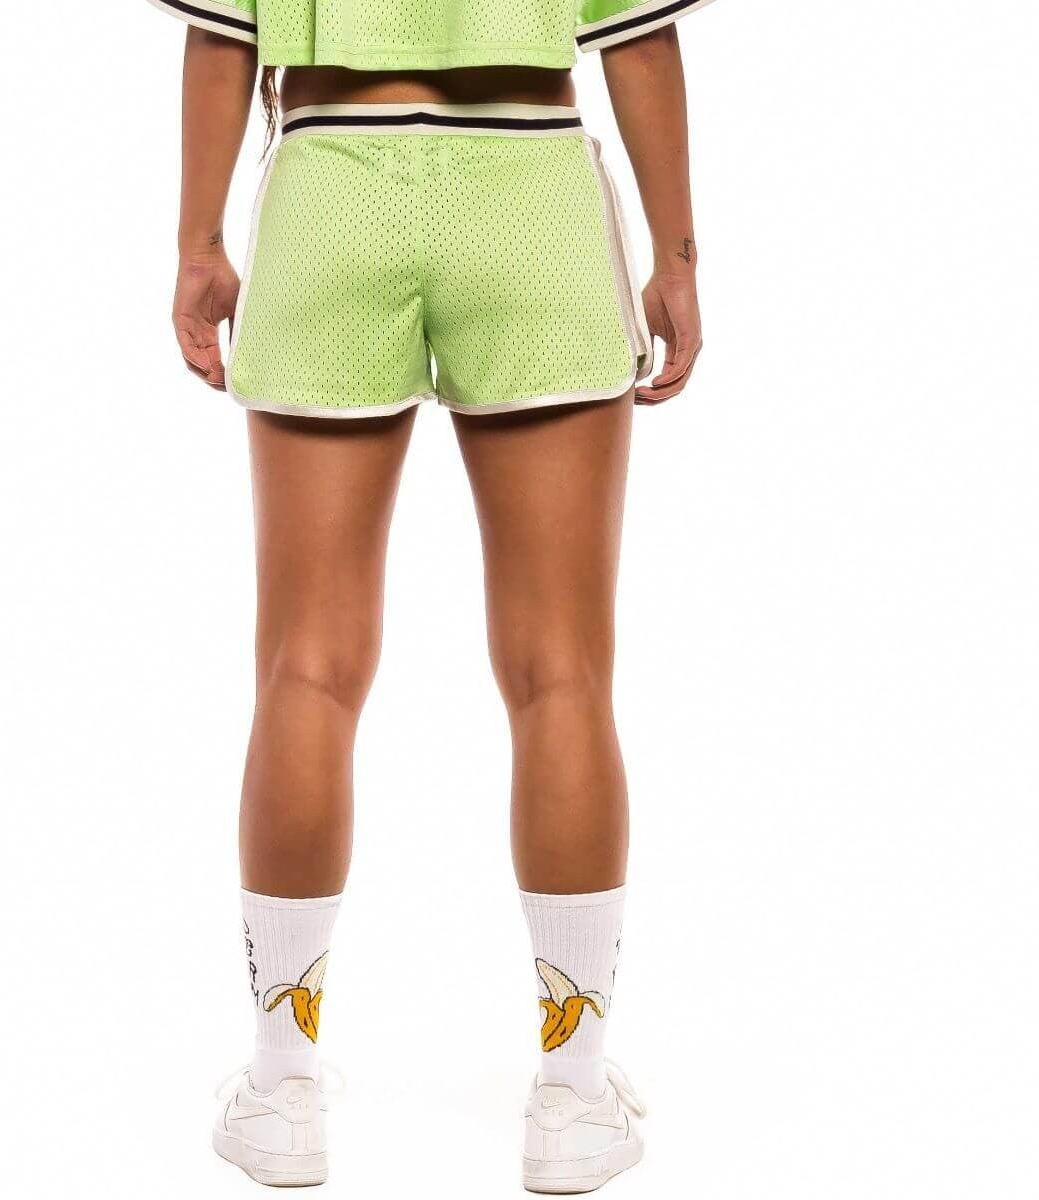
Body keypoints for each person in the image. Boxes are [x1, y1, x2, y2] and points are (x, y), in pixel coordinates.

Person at [149, 0, 716, 1190]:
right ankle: (571, 1098)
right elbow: (638, 34)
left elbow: (222, 32)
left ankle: (281, 1088)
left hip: (332, 182)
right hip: (529, 188)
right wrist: (677, 256)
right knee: (561, 670)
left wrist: (199, 240)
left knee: (306, 666)